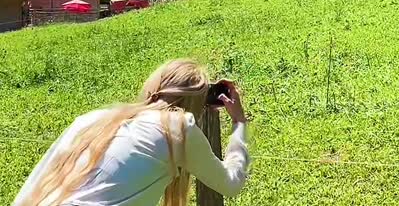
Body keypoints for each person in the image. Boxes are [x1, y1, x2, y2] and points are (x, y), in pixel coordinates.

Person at [13, 59, 249, 206]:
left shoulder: (91, 120)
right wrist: (239, 122)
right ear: (196, 101)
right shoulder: (178, 127)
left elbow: (32, 187)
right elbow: (230, 183)